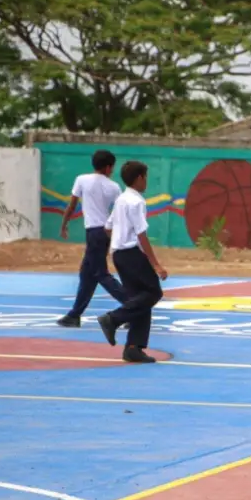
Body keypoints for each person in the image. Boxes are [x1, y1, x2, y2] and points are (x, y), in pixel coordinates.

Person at [96, 161, 168, 363]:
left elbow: (108, 227)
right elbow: (141, 234)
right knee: (153, 292)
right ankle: (113, 319)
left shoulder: (121, 199)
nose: (146, 181)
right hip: (131, 253)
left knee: (140, 298)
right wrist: (155, 264)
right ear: (139, 178)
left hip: (119, 254)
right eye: (145, 177)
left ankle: (133, 348)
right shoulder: (137, 202)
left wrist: (117, 242)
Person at [56, 150, 126, 328]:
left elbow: (72, 205)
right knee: (87, 274)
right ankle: (74, 315)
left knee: (100, 274)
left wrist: (64, 224)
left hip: (93, 232)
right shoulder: (114, 187)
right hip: (104, 232)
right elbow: (120, 212)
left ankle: (135, 307)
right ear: (108, 167)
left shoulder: (81, 180)